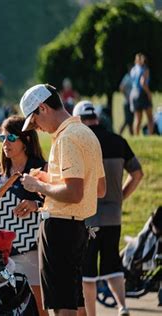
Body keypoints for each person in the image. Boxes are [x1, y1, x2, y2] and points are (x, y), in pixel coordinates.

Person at [18, 84, 106, 316]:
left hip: (59, 227)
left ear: (43, 108)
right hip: (78, 227)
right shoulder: (87, 133)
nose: (38, 129)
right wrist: (50, 180)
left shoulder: (66, 138)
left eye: (35, 122)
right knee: (75, 301)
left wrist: (39, 185)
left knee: (61, 305)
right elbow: (99, 189)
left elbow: (74, 192)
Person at [73, 101, 143, 316]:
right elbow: (137, 174)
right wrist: (120, 196)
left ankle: (92, 314)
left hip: (89, 217)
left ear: (79, 120)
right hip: (114, 215)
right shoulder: (118, 141)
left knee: (88, 272)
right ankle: (122, 306)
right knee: (113, 263)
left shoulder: (80, 143)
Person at [0, 115, 48, 316]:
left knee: (38, 306)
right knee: (6, 306)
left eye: (11, 139)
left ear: (25, 140)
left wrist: (35, 204)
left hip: (32, 247)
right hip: (3, 251)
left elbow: (55, 203)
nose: (5, 144)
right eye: (2, 139)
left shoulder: (39, 168)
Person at [130, 53, 153, 135]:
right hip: (141, 93)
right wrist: (149, 93)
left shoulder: (133, 70)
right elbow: (143, 82)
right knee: (150, 117)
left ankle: (136, 136)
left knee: (137, 118)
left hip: (133, 93)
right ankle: (150, 135)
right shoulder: (144, 69)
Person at [119, 65, 134, 135]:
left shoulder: (133, 77)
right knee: (127, 120)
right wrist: (126, 96)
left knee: (131, 121)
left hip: (132, 102)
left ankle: (132, 135)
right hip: (127, 102)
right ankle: (120, 133)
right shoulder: (127, 77)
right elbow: (121, 87)